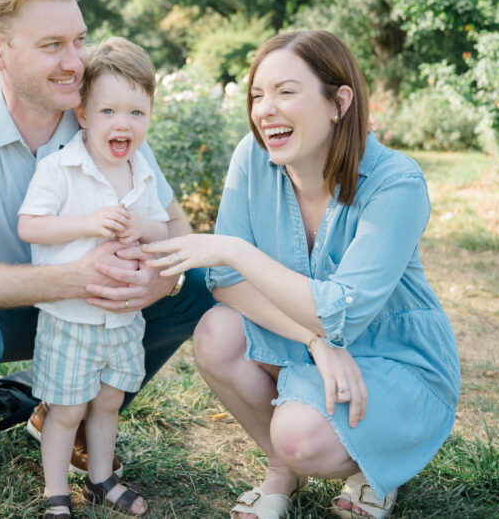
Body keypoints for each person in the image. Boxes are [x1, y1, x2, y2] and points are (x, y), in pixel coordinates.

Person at [0, 0, 213, 497]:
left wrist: (159, 279)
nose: (76, 63)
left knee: (196, 289)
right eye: (52, 47)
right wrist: (75, 278)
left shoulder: (100, 112)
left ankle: (72, 410)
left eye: (80, 40)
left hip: (82, 311)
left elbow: (177, 231)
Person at [145, 30, 460, 519]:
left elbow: (341, 312)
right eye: (257, 95)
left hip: (395, 360)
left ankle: (374, 468)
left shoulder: (397, 182)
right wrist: (317, 345)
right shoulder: (252, 159)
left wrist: (232, 249)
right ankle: (280, 473)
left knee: (300, 435)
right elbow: (225, 286)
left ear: (339, 102)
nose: (265, 110)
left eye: (285, 92)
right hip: (313, 348)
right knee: (215, 333)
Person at [18, 37, 166, 518]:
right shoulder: (61, 168)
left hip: (122, 321)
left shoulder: (141, 171)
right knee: (66, 412)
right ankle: (55, 493)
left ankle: (102, 477)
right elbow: (31, 225)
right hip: (70, 319)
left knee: (107, 404)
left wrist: (144, 227)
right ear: (83, 114)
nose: (122, 124)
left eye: (136, 113)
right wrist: (87, 224)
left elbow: (162, 227)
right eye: (108, 111)